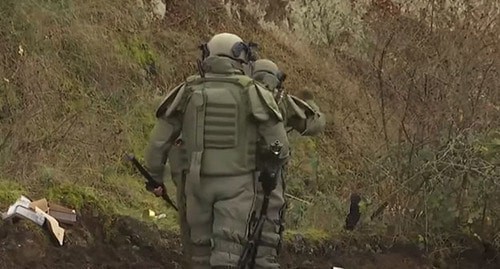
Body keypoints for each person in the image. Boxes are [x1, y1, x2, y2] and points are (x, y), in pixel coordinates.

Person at [143, 32, 290, 269]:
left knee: (200, 255)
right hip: (238, 187)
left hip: (195, 184)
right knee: (228, 255)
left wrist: (154, 178)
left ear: (207, 55)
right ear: (241, 58)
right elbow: (280, 146)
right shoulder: (252, 92)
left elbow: (158, 143)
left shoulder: (187, 90)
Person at [249, 58, 326, 268]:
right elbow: (314, 124)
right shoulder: (278, 101)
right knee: (268, 230)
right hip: (270, 176)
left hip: (235, 177)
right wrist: (309, 102)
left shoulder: (237, 97)